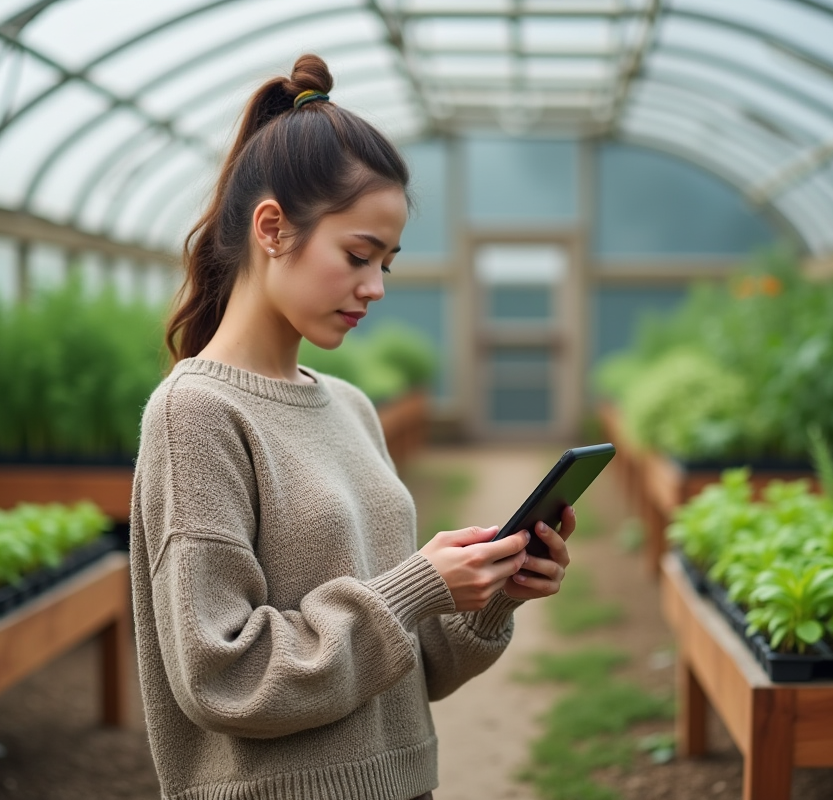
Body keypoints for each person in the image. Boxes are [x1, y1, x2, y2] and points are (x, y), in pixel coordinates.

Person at [129, 54, 576, 800]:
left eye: (388, 265)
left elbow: (413, 664)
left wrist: (494, 591)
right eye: (358, 255)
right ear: (272, 228)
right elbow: (221, 677)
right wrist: (411, 588)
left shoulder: (350, 407)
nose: (374, 287)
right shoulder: (195, 414)